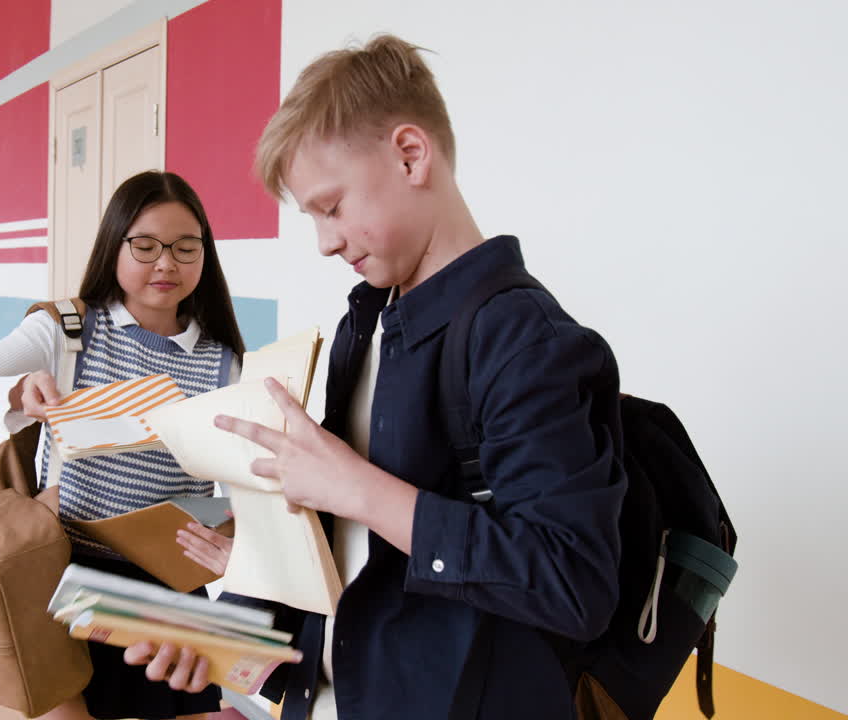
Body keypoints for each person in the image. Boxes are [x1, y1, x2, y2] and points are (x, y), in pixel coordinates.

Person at [125, 35, 626, 720]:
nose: (325, 242)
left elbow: (574, 584)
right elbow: (363, 571)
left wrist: (358, 489)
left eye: (331, 208)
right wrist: (237, 613)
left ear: (411, 155)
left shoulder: (522, 339)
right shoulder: (370, 322)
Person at [0, 170, 242, 720]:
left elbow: (233, 482)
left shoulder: (223, 361)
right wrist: (14, 390)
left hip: (168, 584)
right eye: (145, 246)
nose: (166, 263)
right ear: (113, 246)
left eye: (186, 247)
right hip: (63, 577)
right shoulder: (69, 331)